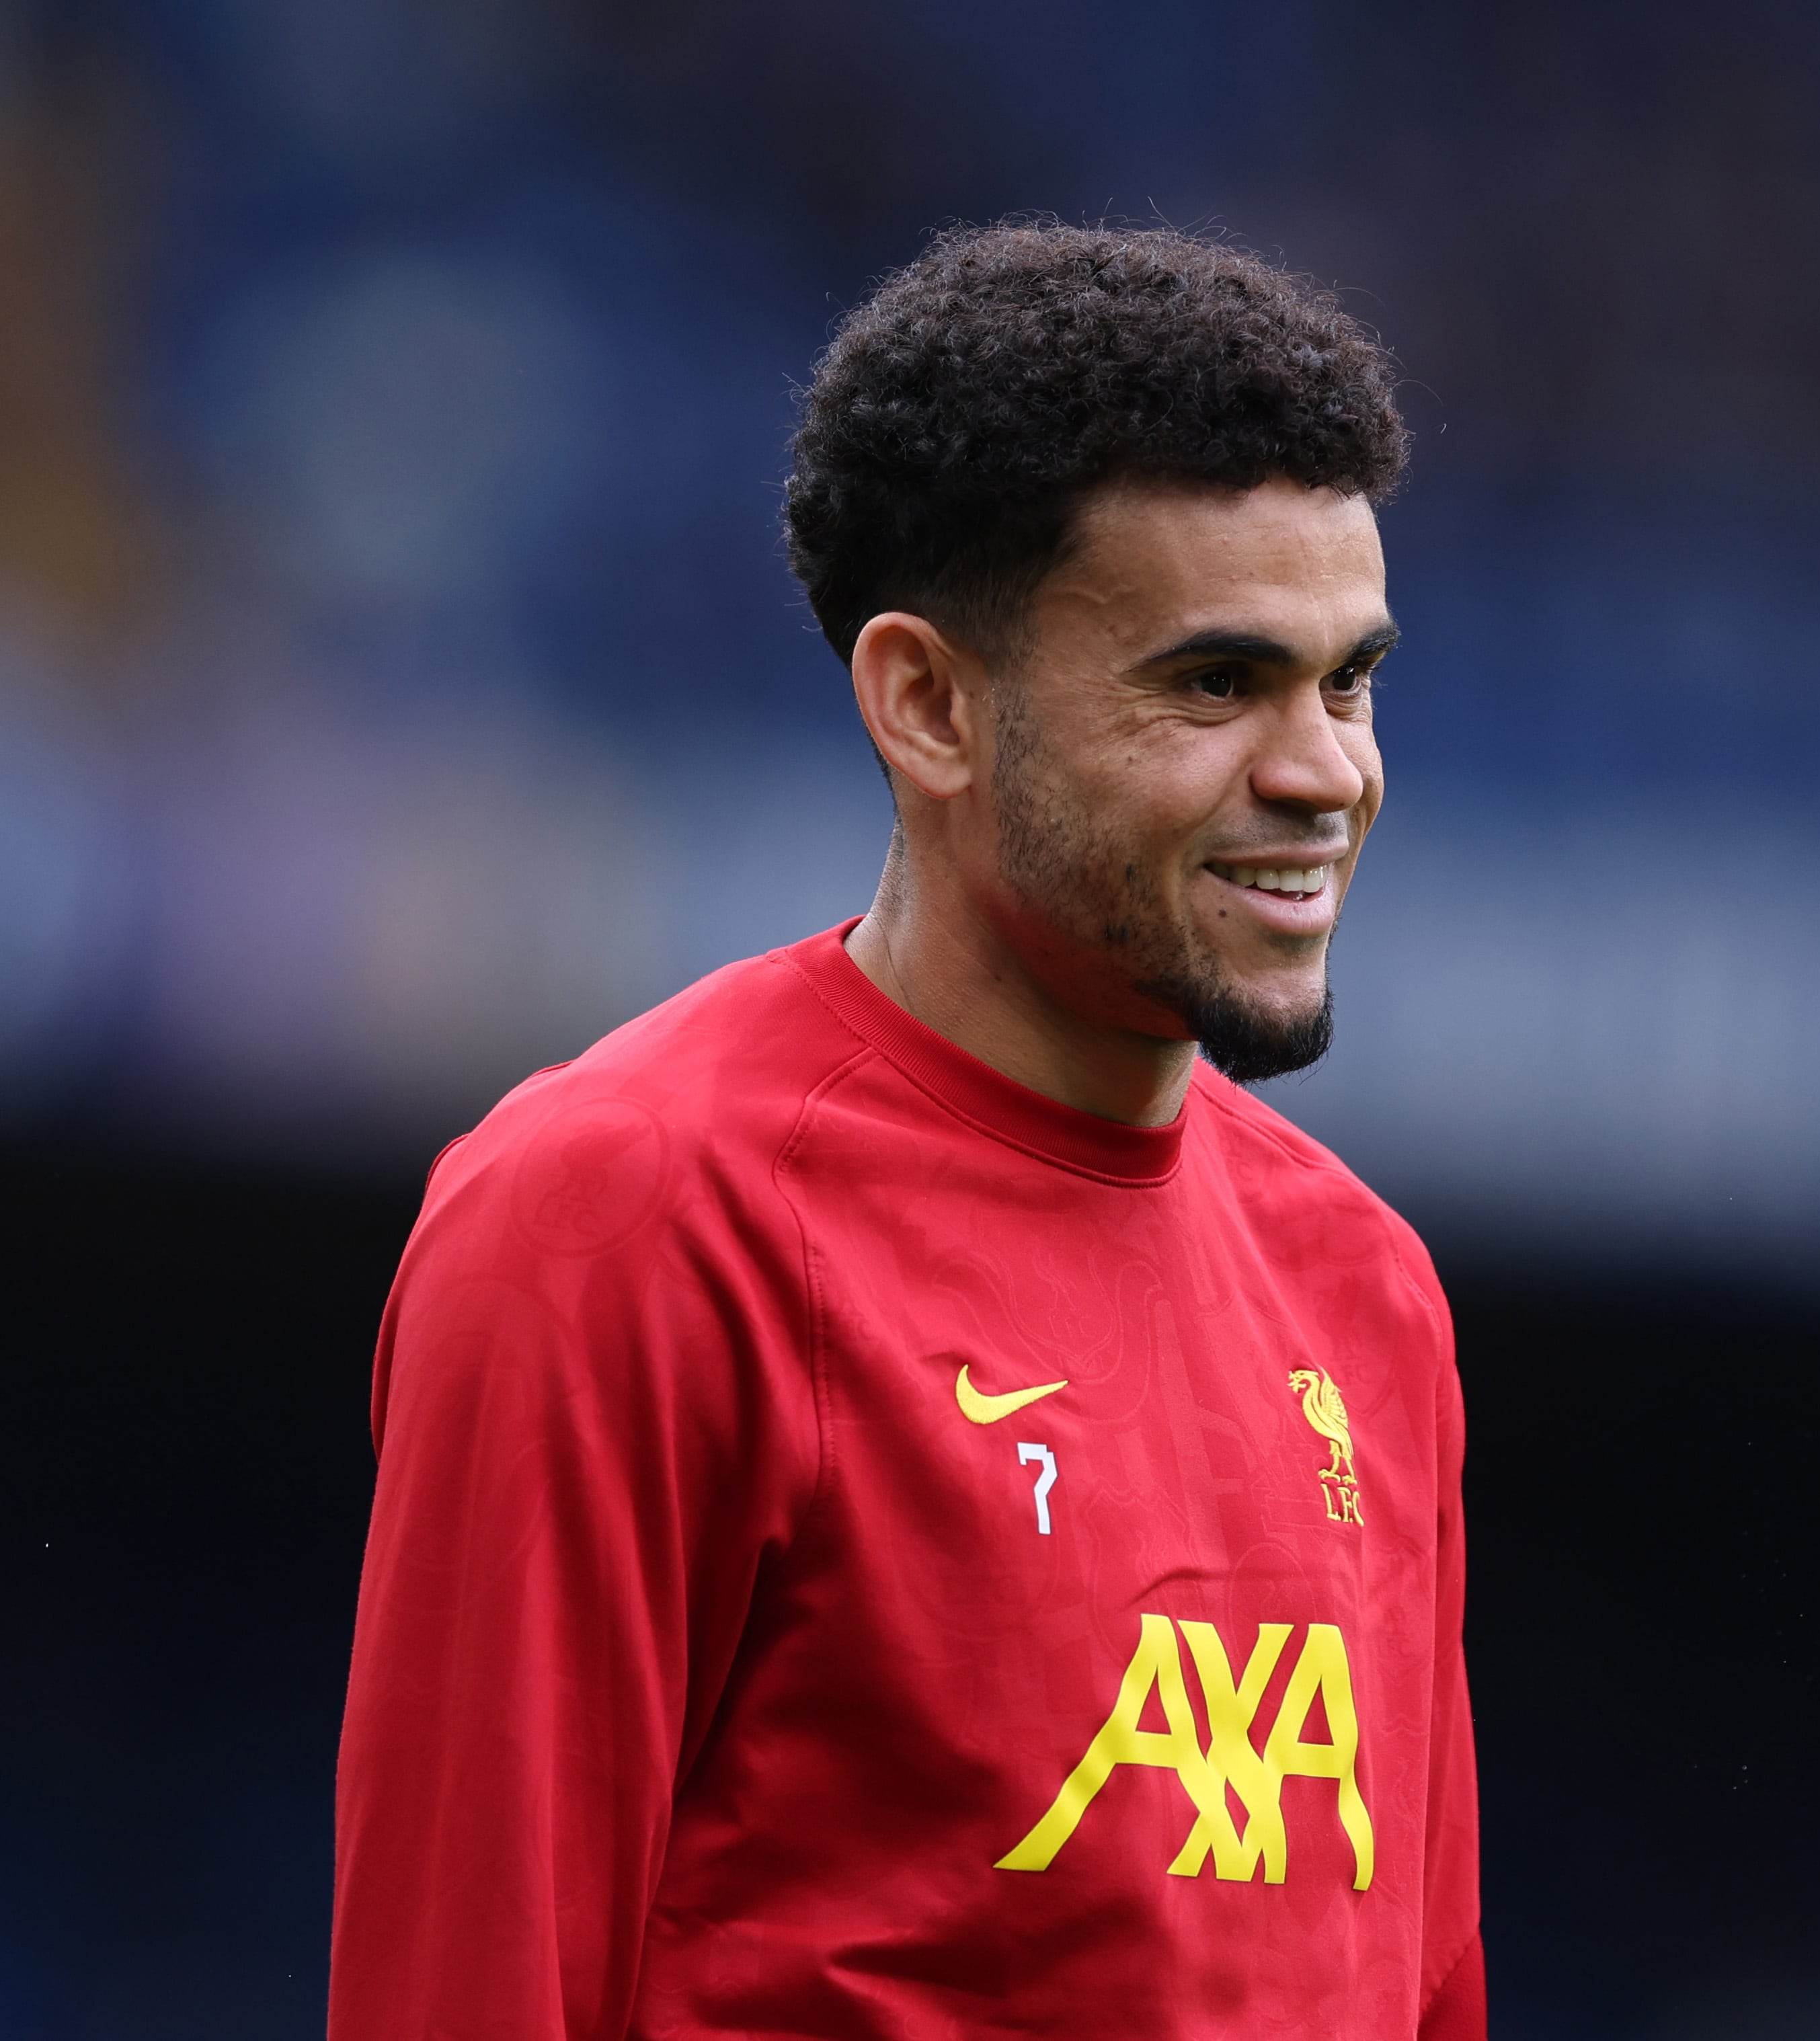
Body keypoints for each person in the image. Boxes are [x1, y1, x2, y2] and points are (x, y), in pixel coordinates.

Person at [328, 222, 1484, 2040]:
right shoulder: (626, 1221)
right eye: (1213, 683)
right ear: (929, 704)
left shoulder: (1371, 1297)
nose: (1325, 769)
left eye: (1347, 679)